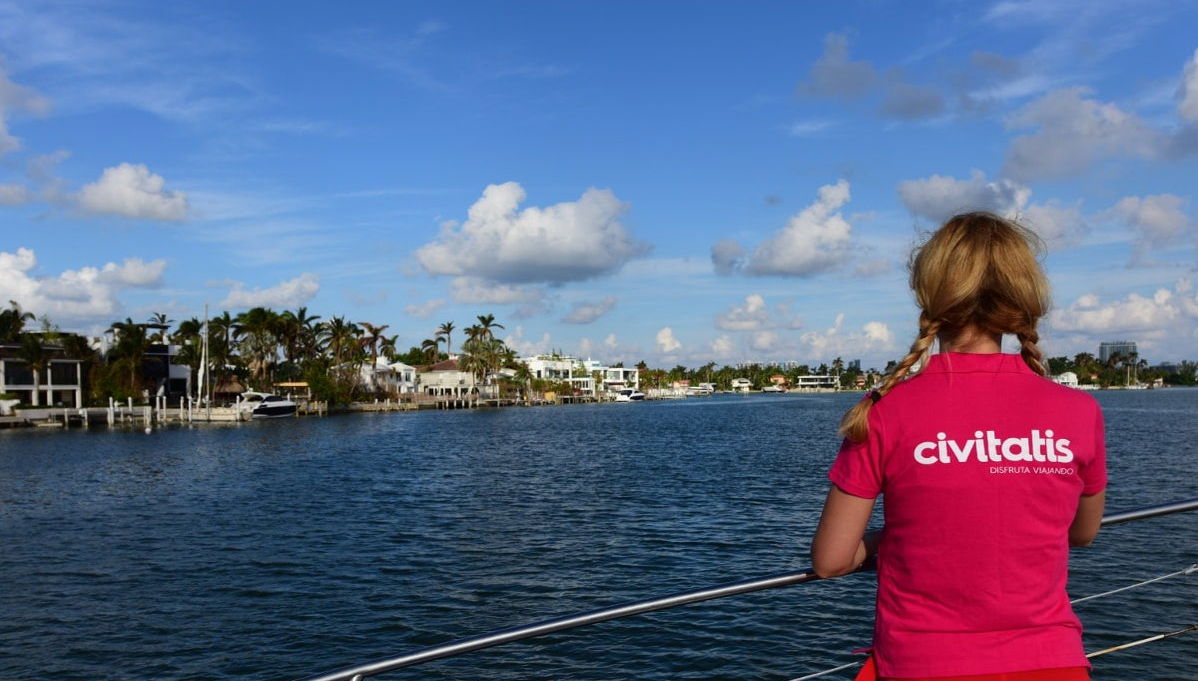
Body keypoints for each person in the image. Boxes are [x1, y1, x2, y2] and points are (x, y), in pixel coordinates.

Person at [810, 212, 1107, 681]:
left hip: (924, 665)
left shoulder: (885, 410)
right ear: (1020, 297)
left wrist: (905, 541)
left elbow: (831, 561)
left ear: (930, 293)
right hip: (1052, 662)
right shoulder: (1078, 411)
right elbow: (1082, 533)